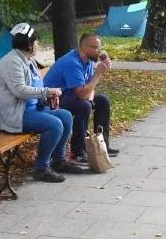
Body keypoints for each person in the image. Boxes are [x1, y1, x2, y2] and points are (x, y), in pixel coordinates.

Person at [0, 23, 87, 182]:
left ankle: (59, 161)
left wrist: (46, 99)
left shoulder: (29, 61)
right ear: (29, 45)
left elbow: (36, 87)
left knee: (66, 116)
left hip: (32, 109)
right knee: (54, 124)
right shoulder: (12, 62)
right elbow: (19, 90)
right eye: (36, 42)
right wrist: (47, 91)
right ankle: (41, 168)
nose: (38, 45)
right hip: (16, 114)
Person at [44, 32, 119, 163]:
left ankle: (101, 145)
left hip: (70, 94)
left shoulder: (88, 60)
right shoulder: (72, 63)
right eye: (96, 47)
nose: (99, 51)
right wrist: (98, 74)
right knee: (83, 106)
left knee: (102, 101)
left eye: (100, 47)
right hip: (52, 99)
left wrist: (90, 97)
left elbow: (89, 87)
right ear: (84, 47)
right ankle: (78, 151)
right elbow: (82, 93)